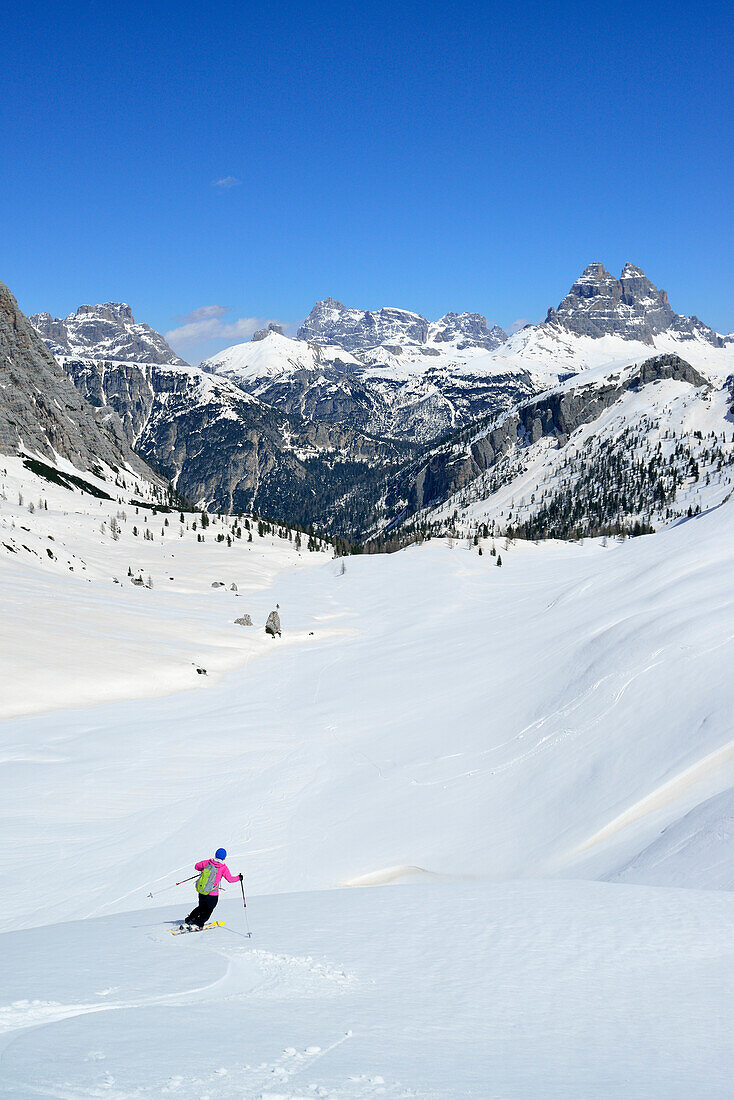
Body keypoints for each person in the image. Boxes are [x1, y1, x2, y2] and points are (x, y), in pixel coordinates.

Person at [184, 848, 242, 929]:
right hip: (212, 894)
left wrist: (204, 869)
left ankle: (190, 919)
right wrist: (239, 878)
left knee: (201, 907)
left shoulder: (208, 862)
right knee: (208, 910)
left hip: (202, 891)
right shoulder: (223, 867)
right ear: (224, 857)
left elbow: (196, 866)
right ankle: (198, 923)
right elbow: (230, 879)